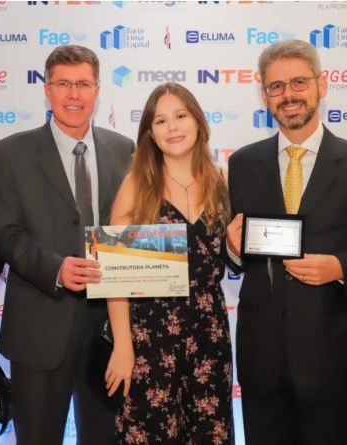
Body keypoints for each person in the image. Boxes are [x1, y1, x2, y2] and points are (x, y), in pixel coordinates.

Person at [225, 39, 347, 444]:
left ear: (322, 84)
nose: (289, 95)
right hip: (262, 360)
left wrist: (340, 267)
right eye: (276, 86)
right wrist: (231, 248)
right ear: (264, 94)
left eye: (298, 82)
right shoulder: (242, 163)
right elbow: (239, 257)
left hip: (330, 359)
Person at [0, 44, 134, 445]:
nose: (74, 94)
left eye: (83, 84)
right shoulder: (11, 152)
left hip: (109, 329)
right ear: (47, 90)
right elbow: (6, 233)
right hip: (40, 327)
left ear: (97, 90)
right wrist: (56, 269)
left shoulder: (125, 150)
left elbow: (136, 229)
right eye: (63, 84)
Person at [105, 82, 233, 444]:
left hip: (209, 334)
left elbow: (233, 255)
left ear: (198, 122)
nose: (172, 127)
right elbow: (115, 276)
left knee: (210, 433)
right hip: (150, 337)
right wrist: (123, 346)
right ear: (150, 133)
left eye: (180, 116)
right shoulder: (136, 185)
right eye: (161, 121)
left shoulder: (222, 181)